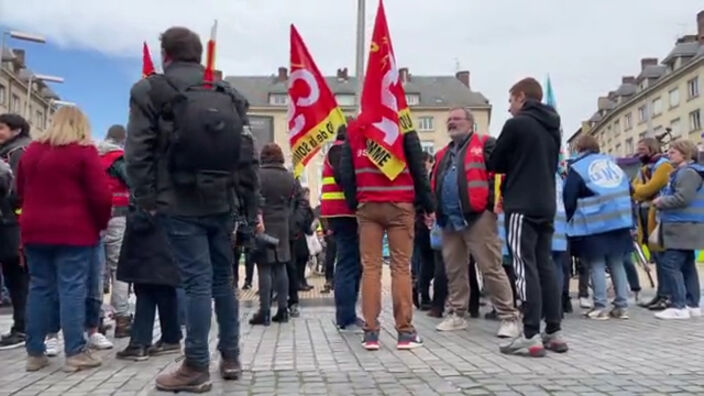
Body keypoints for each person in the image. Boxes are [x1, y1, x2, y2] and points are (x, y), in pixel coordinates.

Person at [126, 26, 256, 391]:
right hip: (223, 200)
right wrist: (247, 202)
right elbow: (248, 155)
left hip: (177, 199)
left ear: (165, 54)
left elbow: (137, 152)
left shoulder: (150, 90)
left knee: (196, 281)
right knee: (222, 281)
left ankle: (196, 365)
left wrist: (147, 199)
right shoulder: (228, 93)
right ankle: (230, 357)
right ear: (198, 55)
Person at [17, 106, 112, 372]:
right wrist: (100, 224)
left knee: (39, 288)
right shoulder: (83, 151)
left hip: (34, 228)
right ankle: (75, 352)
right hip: (74, 231)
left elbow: (20, 190)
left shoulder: (32, 151)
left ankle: (35, 353)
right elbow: (100, 195)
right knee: (72, 289)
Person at [339, 115, 435, 351]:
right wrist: (428, 205)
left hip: (368, 204)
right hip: (400, 203)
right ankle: (405, 333)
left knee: (370, 268)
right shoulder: (403, 126)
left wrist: (354, 202)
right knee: (401, 266)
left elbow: (345, 172)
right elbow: (418, 169)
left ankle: (370, 333)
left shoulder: (355, 129)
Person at [487, 77, 566, 357]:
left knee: (523, 266)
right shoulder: (553, 127)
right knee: (545, 266)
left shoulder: (517, 124)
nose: (509, 108)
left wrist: (490, 152)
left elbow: (496, 162)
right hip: (546, 203)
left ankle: (530, 333)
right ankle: (553, 330)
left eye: (510, 101)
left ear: (521, 97)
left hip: (521, 202)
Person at [431, 107, 520, 338]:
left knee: (491, 266)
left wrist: (492, 204)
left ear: (470, 123)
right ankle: (457, 314)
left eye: (456, 119)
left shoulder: (486, 143)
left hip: (478, 216)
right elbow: (436, 181)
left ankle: (509, 317)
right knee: (454, 269)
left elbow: (502, 173)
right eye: (449, 119)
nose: (451, 122)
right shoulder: (442, 153)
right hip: (449, 220)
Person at [564, 135, 633, 320]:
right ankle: (622, 305)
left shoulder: (578, 168)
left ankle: (601, 306)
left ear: (578, 148)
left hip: (595, 222)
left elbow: (569, 198)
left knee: (596, 263)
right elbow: (630, 189)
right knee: (617, 263)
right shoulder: (612, 164)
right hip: (620, 220)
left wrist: (568, 220)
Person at [249, 143, 300, 325]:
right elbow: (296, 200)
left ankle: (264, 311)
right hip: (283, 225)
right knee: (281, 267)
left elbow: (253, 200)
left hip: (264, 224)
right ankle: (283, 309)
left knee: (264, 268)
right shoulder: (289, 177)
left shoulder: (258, 175)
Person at [652, 139, 703, 320]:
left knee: (670, 264)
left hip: (681, 224)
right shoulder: (690, 172)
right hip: (688, 224)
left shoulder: (686, 173)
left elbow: (683, 198)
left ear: (685, 154)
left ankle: (678, 305)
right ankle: (692, 303)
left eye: (672, 152)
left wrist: (661, 201)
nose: (668, 154)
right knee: (687, 265)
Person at [321, 127, 363, 331]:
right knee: (348, 262)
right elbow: (344, 178)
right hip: (345, 211)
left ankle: (348, 314)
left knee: (352, 262)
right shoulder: (340, 150)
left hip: (339, 212)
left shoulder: (335, 150)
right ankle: (346, 316)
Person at [96, 124, 132, 338]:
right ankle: (122, 319)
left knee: (97, 270)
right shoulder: (119, 158)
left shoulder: (94, 156)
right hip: (118, 215)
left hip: (95, 217)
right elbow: (131, 182)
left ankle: (96, 318)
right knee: (118, 267)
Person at [0, 114, 31, 350]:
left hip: (13, 222)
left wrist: (11, 206)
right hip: (15, 220)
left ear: (16, 130)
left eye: (1, 128)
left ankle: (23, 327)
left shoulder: (16, 153)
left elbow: (17, 188)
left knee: (17, 276)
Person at [632, 138, 674, 311]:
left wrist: (640, 191)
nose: (638, 152)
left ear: (651, 148)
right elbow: (634, 190)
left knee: (664, 259)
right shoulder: (644, 168)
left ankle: (668, 295)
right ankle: (661, 293)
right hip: (646, 216)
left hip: (657, 217)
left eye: (642, 149)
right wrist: (641, 191)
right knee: (656, 258)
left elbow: (648, 188)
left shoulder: (664, 166)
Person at [413, 152, 436, 311]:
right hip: (425, 223)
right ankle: (424, 295)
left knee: (423, 260)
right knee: (429, 261)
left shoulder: (413, 178)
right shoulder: (423, 179)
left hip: (418, 224)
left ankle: (422, 292)